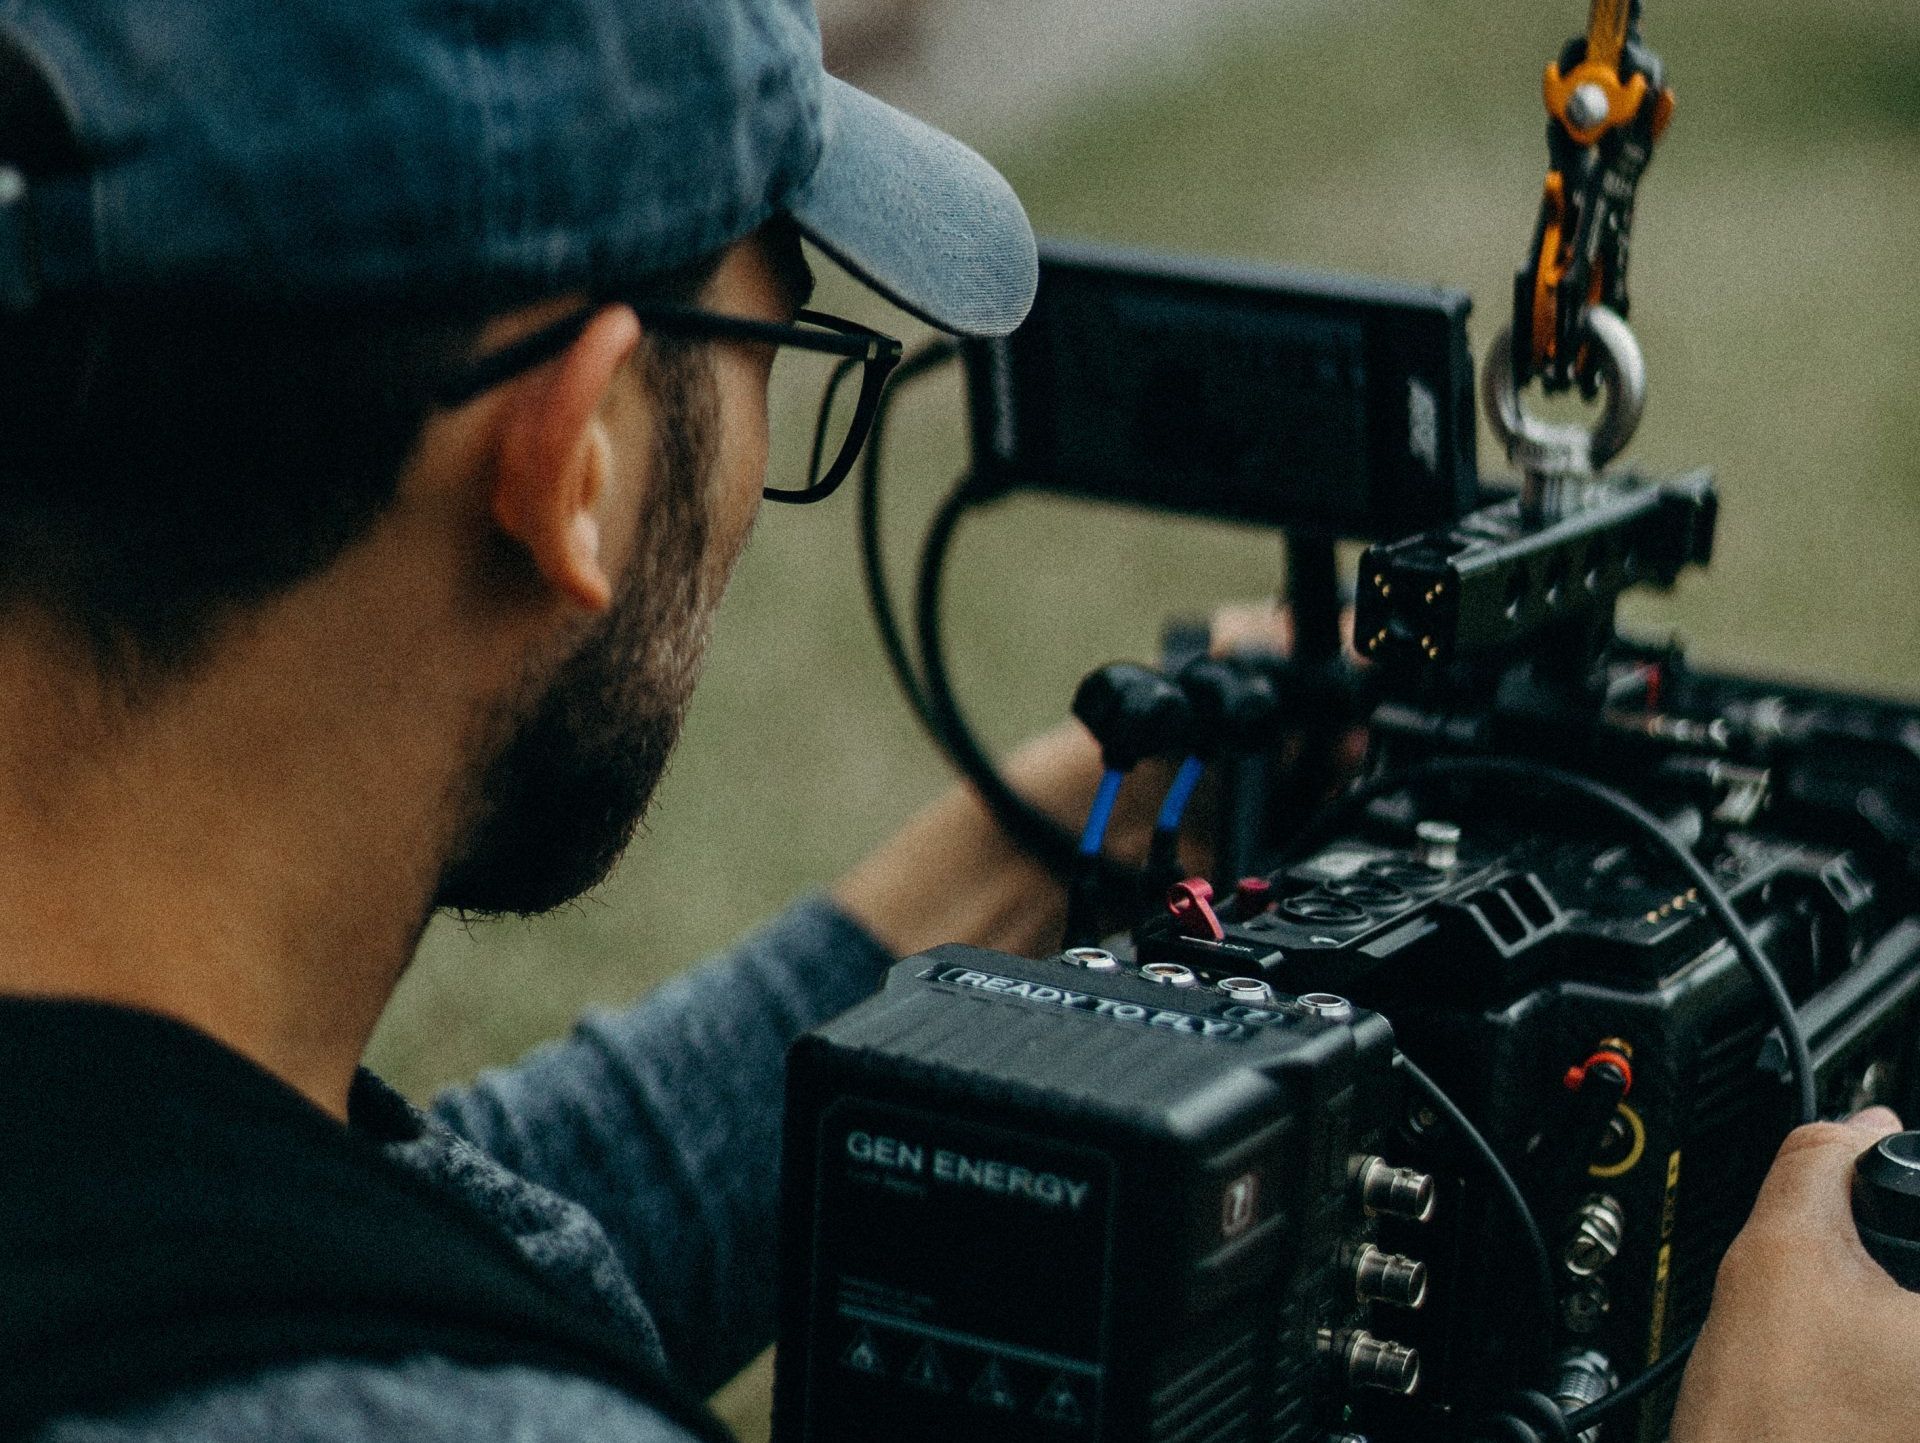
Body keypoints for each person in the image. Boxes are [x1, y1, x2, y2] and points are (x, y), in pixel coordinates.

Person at [0, 1, 1910, 1440]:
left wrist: (1027, 855)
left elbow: (390, 1245)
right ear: (575, 461)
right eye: (779, 348)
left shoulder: (171, 1192)